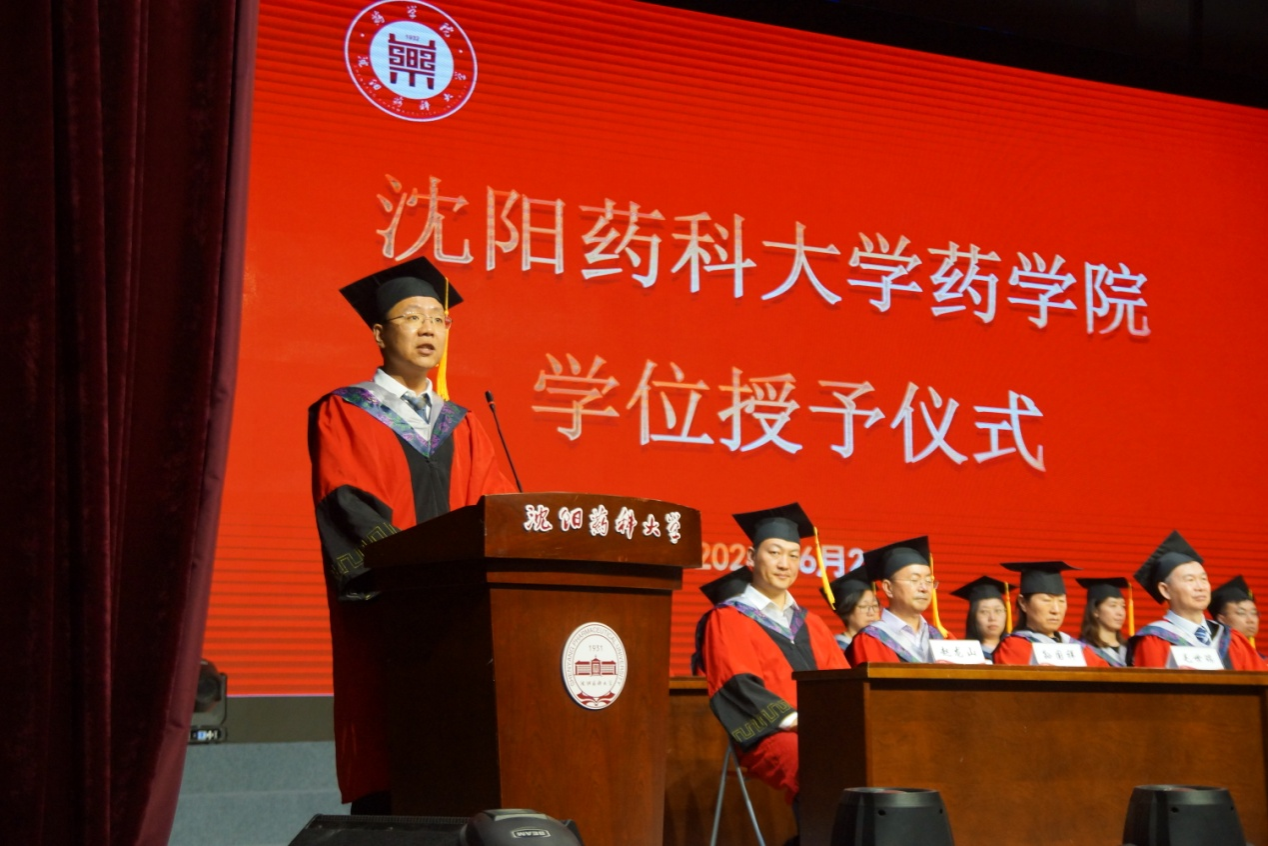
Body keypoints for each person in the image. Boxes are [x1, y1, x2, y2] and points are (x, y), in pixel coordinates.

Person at [308, 257, 516, 812]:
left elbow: (494, 510)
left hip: (460, 618)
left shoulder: (464, 424)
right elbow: (345, 502)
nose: (428, 329)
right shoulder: (344, 412)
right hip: (390, 610)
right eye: (412, 317)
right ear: (380, 334)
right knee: (393, 749)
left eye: (438, 319)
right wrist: (411, 570)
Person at [699, 503, 849, 823]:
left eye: (793, 555)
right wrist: (795, 720)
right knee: (816, 761)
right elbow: (736, 684)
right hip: (770, 735)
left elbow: (842, 682)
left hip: (822, 730)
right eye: (775, 553)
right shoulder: (728, 618)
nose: (784, 564)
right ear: (752, 557)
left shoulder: (813, 623)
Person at [1130, 531, 1262, 670]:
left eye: (1203, 579)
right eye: (1190, 580)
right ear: (1165, 590)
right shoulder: (1154, 639)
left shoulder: (1231, 638)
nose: (1200, 587)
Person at [845, 537, 944, 664]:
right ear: (888, 588)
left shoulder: (939, 637)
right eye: (914, 580)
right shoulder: (870, 640)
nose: (924, 588)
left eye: (929, 581)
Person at [992, 562, 1109, 666]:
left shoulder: (1076, 648)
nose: (1056, 610)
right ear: (1023, 603)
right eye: (1046, 600)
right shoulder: (1012, 647)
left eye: (1061, 601)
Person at [951, 576, 1010, 660]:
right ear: (973, 617)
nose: (992, 618)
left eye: (998, 610)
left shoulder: (1016, 651)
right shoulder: (963, 655)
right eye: (984, 612)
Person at [1076, 577, 1131, 667]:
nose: (1120, 612)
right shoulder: (1083, 650)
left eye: (1123, 606)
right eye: (1113, 605)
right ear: (1095, 611)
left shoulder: (1130, 650)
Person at [824, 567, 881, 651]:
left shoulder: (881, 646)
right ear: (846, 611)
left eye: (875, 606)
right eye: (863, 606)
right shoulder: (837, 650)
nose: (871, 613)